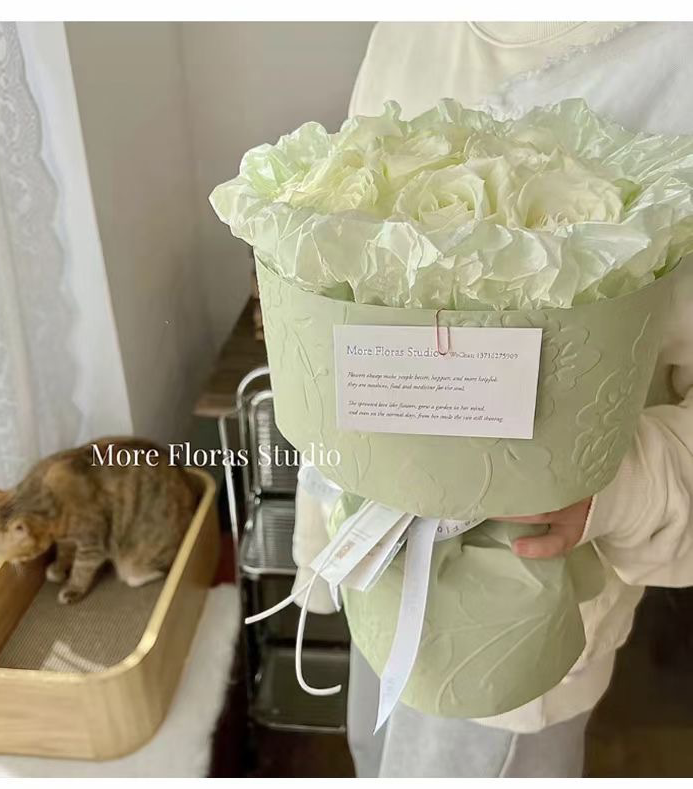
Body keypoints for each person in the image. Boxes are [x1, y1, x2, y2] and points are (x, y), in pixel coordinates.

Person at [291, 21, 693, 777]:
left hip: (522, 580)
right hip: (375, 532)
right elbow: (342, 244)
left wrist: (618, 481)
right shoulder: (409, 27)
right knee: (375, 749)